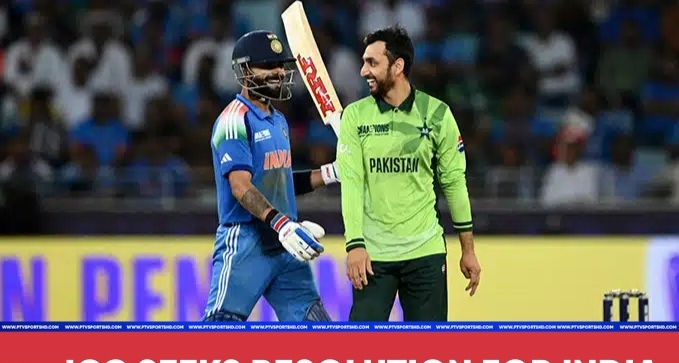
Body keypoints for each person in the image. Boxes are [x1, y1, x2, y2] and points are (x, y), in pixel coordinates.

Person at [337, 25, 481, 322]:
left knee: (428, 348)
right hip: (373, 256)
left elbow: (454, 183)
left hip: (425, 253)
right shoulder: (354, 116)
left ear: (398, 66)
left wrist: (468, 250)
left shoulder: (437, 114)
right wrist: (355, 244)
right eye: (363, 62)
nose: (363, 71)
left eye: (372, 62)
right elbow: (351, 184)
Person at [201, 30, 340, 322]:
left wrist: (332, 173)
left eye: (281, 65)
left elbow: (281, 182)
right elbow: (240, 186)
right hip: (246, 240)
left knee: (315, 326)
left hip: (285, 240)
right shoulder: (234, 120)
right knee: (220, 328)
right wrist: (282, 224)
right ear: (245, 71)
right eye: (268, 66)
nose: (278, 72)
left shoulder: (279, 120)